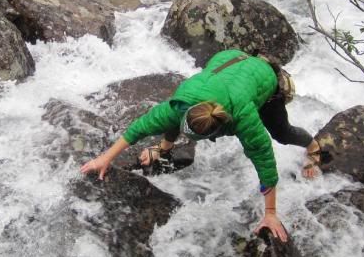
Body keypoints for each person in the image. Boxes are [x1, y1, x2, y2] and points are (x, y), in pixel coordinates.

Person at [80, 49, 325, 242]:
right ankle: (164, 148)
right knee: (171, 117)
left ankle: (313, 145)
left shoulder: (244, 118)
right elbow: (141, 127)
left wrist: (270, 213)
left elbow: (265, 161)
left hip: (263, 77)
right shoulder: (183, 103)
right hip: (229, 62)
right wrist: (105, 158)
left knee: (281, 133)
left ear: (220, 129)